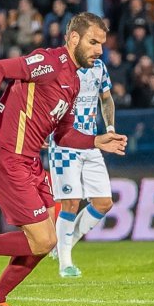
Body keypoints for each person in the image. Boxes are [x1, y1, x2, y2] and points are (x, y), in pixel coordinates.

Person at [0, 12, 127, 306]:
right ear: (74, 38)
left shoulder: (72, 82)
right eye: (93, 41)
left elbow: (65, 134)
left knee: (45, 241)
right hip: (8, 158)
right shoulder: (49, 62)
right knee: (42, 238)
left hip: (31, 163)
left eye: (102, 43)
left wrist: (97, 140)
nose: (100, 50)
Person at [49, 58, 116, 278]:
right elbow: (45, 102)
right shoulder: (59, 67)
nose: (98, 49)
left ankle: (63, 246)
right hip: (64, 141)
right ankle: (65, 263)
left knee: (104, 202)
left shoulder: (99, 67)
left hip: (91, 141)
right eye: (94, 42)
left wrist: (111, 128)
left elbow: (106, 99)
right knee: (70, 202)